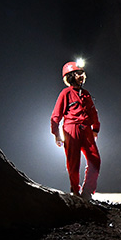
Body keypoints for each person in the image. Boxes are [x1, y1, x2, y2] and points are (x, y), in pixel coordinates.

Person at [51, 58, 101, 196]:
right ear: (70, 76)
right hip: (71, 129)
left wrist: (95, 129)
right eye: (78, 73)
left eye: (82, 73)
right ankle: (75, 191)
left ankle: (87, 192)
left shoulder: (86, 94)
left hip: (86, 130)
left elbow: (93, 112)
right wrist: (57, 134)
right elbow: (56, 116)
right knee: (73, 164)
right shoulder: (65, 94)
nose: (81, 76)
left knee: (95, 160)